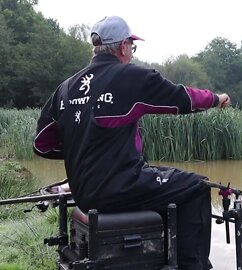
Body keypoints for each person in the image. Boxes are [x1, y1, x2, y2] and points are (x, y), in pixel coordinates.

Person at [33, 15, 230, 270]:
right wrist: (216, 99)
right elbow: (181, 97)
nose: (132, 54)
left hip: (84, 193)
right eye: (132, 48)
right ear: (124, 46)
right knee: (196, 187)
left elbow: (42, 144)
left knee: (163, 179)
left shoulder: (66, 88)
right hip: (118, 187)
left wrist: (82, 149)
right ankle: (192, 266)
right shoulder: (128, 76)